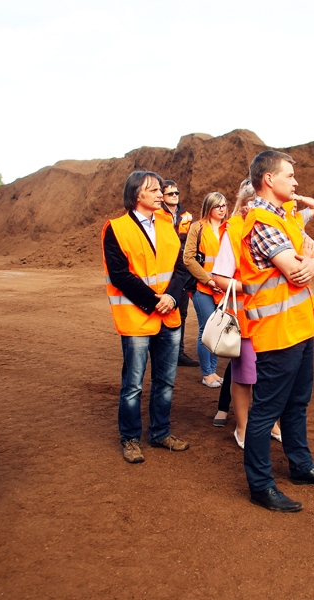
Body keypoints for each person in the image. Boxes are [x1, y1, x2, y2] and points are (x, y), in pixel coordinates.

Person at [241, 150, 314, 512]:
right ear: (269, 179)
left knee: (297, 403)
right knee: (267, 411)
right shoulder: (261, 222)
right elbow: (294, 269)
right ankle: (260, 484)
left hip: (299, 327)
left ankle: (300, 466)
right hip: (277, 332)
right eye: (289, 176)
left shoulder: (284, 218)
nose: (296, 182)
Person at [102, 171, 191, 464]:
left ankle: (160, 432)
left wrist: (172, 297)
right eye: (153, 190)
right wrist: (154, 302)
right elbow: (120, 274)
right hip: (138, 317)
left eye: (160, 190)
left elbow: (181, 268)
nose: (160, 194)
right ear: (136, 195)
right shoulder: (116, 228)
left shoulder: (168, 226)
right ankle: (129, 438)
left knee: (166, 381)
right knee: (133, 384)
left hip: (169, 315)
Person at [211, 179, 282, 446]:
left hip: (273, 318)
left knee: (271, 375)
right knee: (244, 377)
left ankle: (272, 425)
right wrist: (254, 286)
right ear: (248, 203)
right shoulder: (234, 231)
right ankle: (242, 427)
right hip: (244, 320)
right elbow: (219, 278)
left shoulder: (275, 227)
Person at [183, 192, 228, 388]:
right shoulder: (198, 227)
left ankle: (214, 370)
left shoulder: (230, 228)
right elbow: (188, 258)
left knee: (218, 329)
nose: (222, 209)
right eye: (217, 205)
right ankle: (207, 373)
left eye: (224, 205)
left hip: (224, 288)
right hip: (204, 287)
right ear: (208, 208)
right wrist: (208, 280)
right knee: (206, 329)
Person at [157, 180, 198, 368]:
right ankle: (160, 351)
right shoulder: (156, 216)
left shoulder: (187, 217)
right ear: (162, 196)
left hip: (182, 271)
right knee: (160, 311)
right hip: (162, 270)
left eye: (176, 192)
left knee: (181, 313)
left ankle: (178, 352)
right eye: (170, 193)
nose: (175, 195)